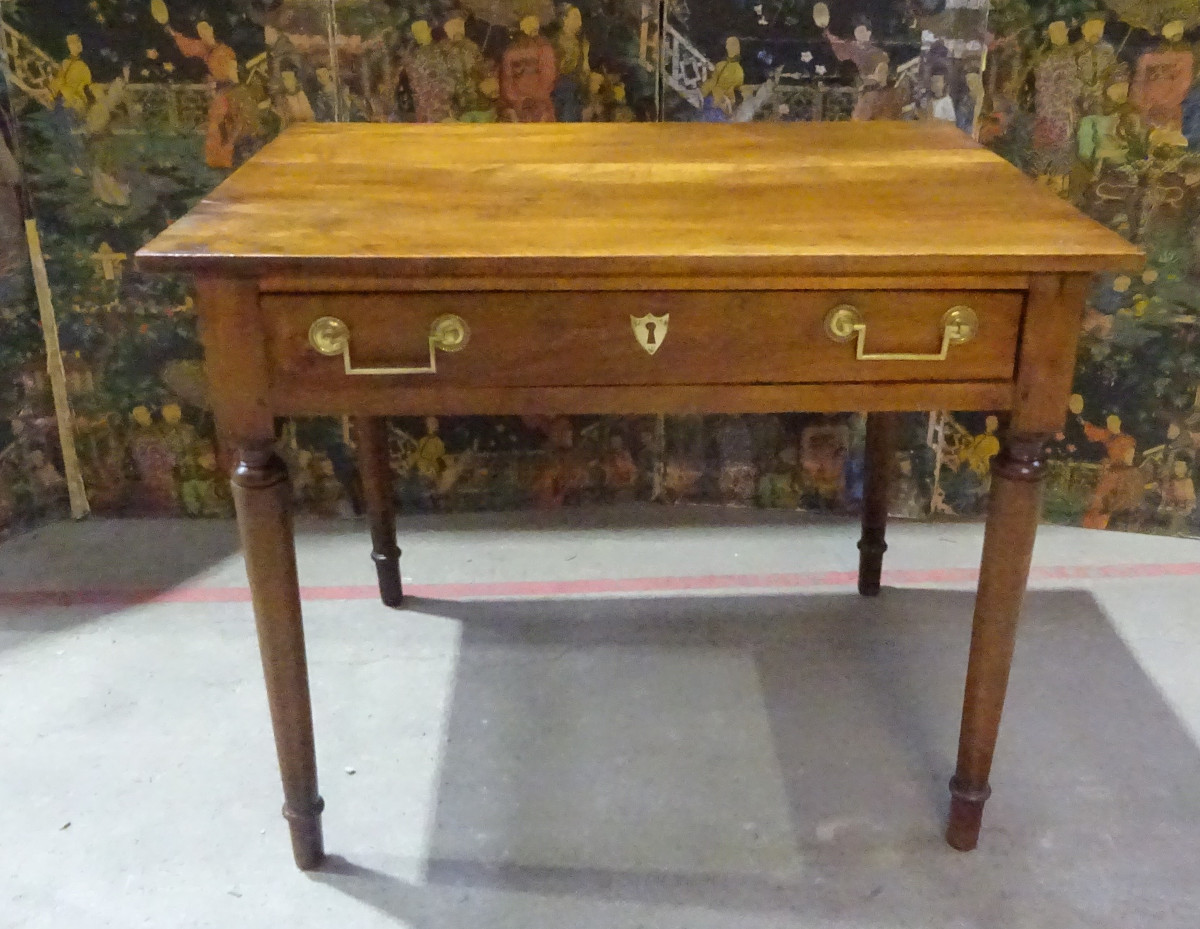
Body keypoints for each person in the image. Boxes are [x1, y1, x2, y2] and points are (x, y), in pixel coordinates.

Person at [1130, 20, 1193, 131]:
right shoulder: (1173, 98)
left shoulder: (1141, 102)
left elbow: (1183, 82)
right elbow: (1139, 76)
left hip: (1154, 51)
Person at [499, 15, 557, 122]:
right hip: (517, 106)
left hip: (540, 105)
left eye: (535, 22)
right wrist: (517, 100)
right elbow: (507, 80)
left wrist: (536, 98)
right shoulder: (511, 52)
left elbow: (548, 77)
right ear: (521, 25)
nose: (534, 25)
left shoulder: (544, 48)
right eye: (529, 21)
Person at [401, 20, 455, 122]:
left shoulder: (415, 56)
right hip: (438, 102)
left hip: (426, 104)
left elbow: (414, 82)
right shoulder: (439, 51)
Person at [552, 5, 590, 122]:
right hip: (561, 83)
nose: (579, 22)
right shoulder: (556, 41)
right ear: (564, 19)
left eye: (579, 18)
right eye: (574, 17)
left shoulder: (582, 42)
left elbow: (585, 67)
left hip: (577, 81)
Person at [699, 37, 744, 119]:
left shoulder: (722, 65)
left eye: (728, 44)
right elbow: (737, 87)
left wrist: (703, 93)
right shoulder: (739, 70)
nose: (726, 47)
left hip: (716, 102)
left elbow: (712, 83)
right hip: (727, 104)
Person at [49, 33, 92, 115]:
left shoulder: (82, 66)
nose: (78, 44)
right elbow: (59, 82)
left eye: (79, 41)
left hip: (74, 105)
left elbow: (85, 87)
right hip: (64, 102)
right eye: (73, 42)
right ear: (68, 46)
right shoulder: (66, 63)